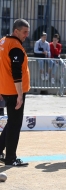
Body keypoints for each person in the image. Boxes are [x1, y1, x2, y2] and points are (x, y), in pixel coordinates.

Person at [0, 18, 30, 166]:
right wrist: (20, 95)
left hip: (5, 88)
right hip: (14, 90)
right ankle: (10, 158)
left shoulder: (3, 42)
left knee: (12, 121)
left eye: (27, 32)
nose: (26, 35)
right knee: (15, 124)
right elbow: (16, 72)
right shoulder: (15, 46)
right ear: (16, 31)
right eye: (24, 32)